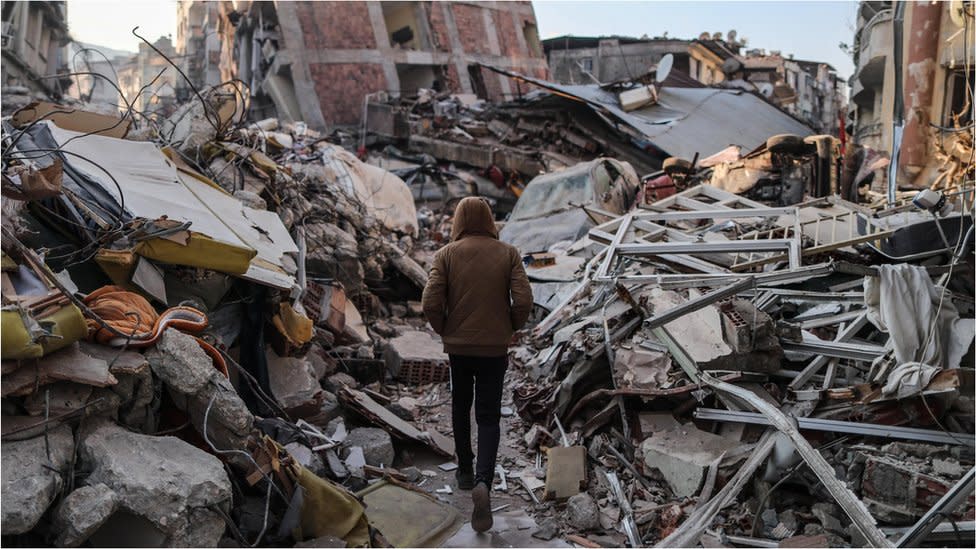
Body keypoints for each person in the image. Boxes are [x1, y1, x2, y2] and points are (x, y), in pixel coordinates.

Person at [422, 197, 533, 533]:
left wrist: (444, 329)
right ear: (488, 219)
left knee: (460, 405)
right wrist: (510, 326)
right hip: (494, 349)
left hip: (459, 348)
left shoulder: (446, 255)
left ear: (458, 221)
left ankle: (465, 472)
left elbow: (430, 301)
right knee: (488, 415)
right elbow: (524, 299)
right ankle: (485, 479)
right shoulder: (508, 253)